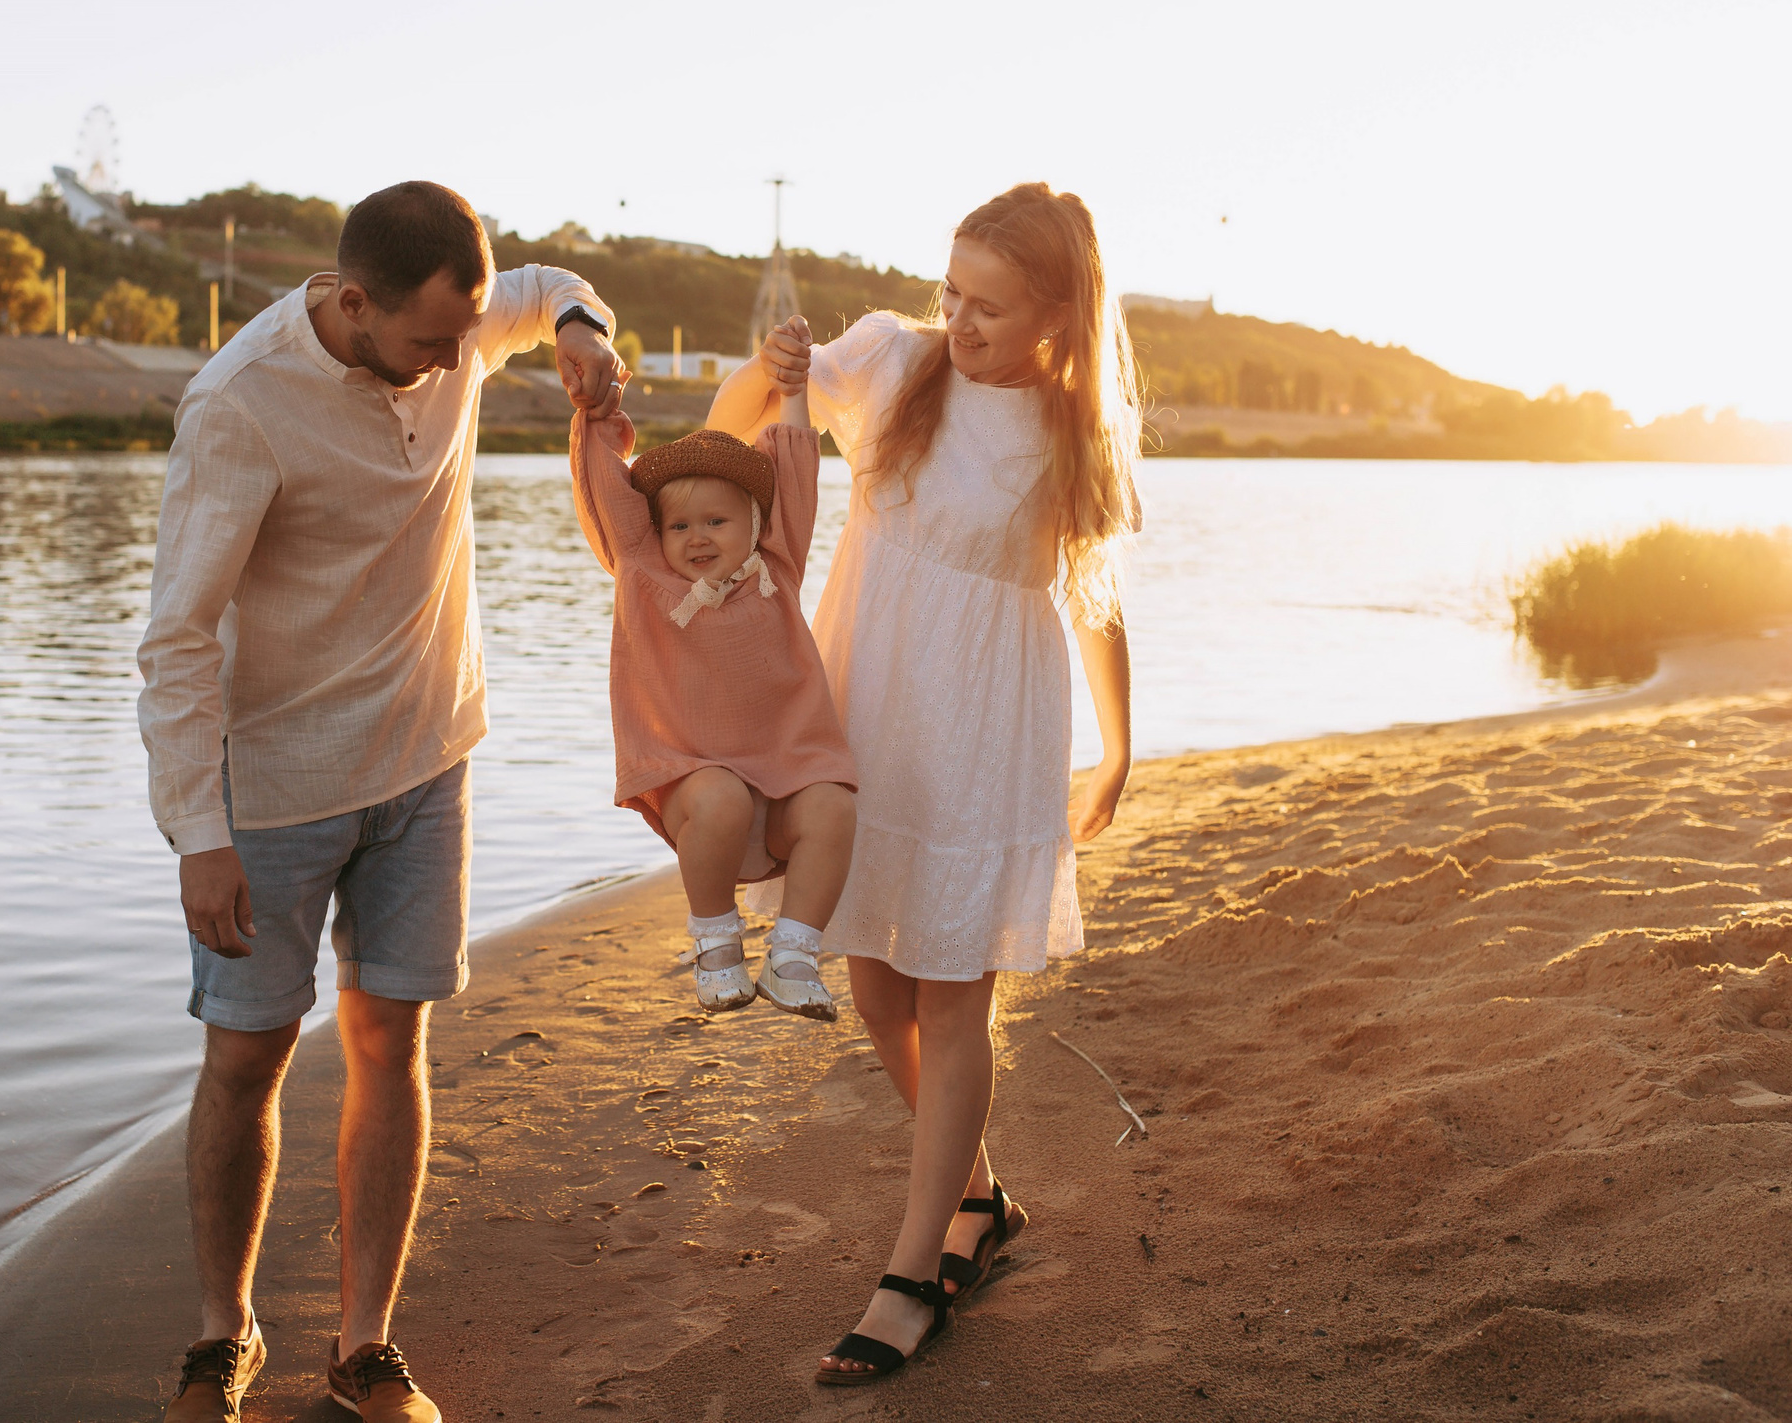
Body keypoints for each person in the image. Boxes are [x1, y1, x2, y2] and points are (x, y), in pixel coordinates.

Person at [139, 181, 623, 1423]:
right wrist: (199, 835)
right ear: (354, 304)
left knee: (390, 1043)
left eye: (466, 335)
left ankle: (365, 1347)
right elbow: (178, 639)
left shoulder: (452, 321)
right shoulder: (240, 406)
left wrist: (582, 329)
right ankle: (222, 1336)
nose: (457, 362)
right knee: (246, 1056)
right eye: (430, 341)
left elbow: (546, 288)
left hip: (426, 761)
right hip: (276, 785)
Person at [705, 183, 1140, 1386]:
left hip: (986, 731)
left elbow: (1095, 599)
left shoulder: (1069, 431)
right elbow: (730, 436)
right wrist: (761, 372)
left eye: (989, 307)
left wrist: (1116, 745)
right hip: (865, 707)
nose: (960, 320)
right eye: (952, 291)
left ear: (1058, 317)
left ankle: (911, 1276)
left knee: (952, 998)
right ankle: (979, 1200)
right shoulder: (894, 360)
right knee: (874, 985)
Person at [567, 314, 856, 1020]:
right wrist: (598, 416)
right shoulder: (644, 574)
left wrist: (794, 389)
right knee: (722, 795)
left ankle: (793, 956)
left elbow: (796, 467)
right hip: (694, 782)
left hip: (785, 779)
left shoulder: (775, 566)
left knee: (835, 804)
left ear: (754, 525)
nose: (696, 538)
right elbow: (604, 488)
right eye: (679, 525)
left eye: (716, 522)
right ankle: (717, 946)